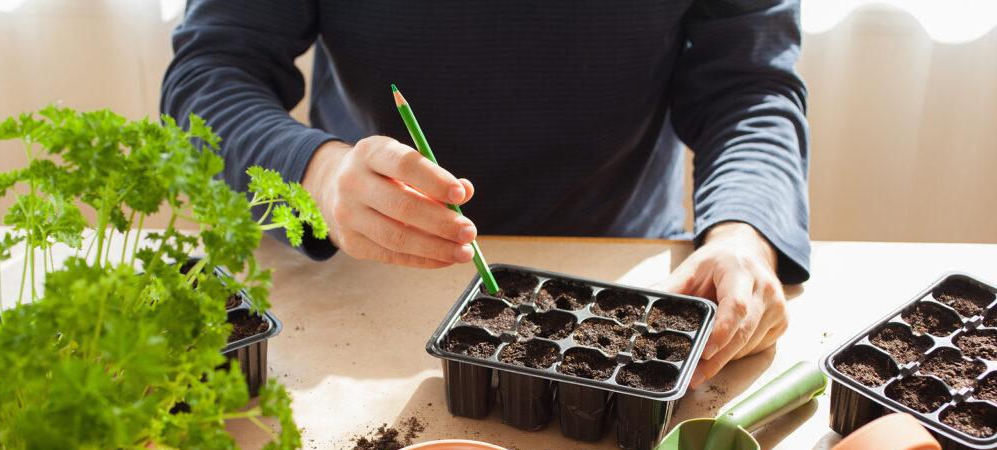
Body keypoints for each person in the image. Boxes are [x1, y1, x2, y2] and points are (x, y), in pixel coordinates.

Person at [161, 1, 810, 387]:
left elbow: (749, 87)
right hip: (367, 269)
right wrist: (319, 177)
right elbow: (209, 76)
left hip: (625, 273)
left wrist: (743, 234)